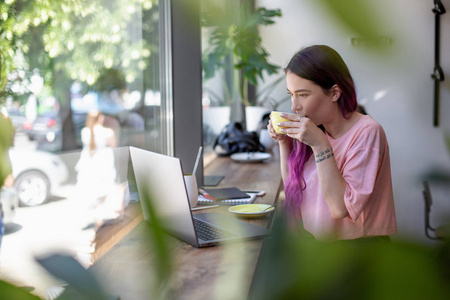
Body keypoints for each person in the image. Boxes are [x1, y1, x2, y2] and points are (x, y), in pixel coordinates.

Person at [267, 45, 397, 241]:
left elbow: (339, 208)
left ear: (335, 93)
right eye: (291, 94)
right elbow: (293, 188)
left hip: (360, 252)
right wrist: (284, 143)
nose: (294, 106)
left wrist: (320, 145)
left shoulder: (367, 132)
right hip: (323, 248)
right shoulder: (317, 129)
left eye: (303, 94)